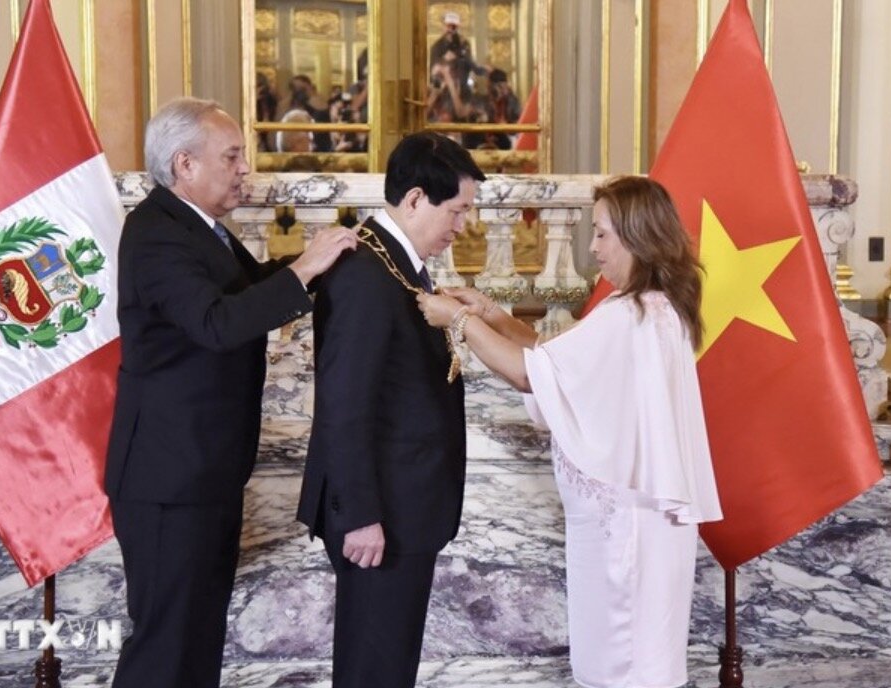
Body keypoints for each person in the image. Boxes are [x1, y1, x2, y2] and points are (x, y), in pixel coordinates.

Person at [417, 176, 723, 688]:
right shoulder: (654, 306)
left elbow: (528, 371)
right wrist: (491, 313)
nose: (593, 247)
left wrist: (457, 321)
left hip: (625, 534)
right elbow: (559, 360)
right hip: (641, 527)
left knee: (621, 665)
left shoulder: (630, 314)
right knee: (644, 658)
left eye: (603, 234)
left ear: (637, 236)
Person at [104, 97, 356, 688]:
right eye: (233, 156)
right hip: (168, 481)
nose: (246, 168)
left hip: (203, 473)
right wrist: (304, 272)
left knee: (197, 640)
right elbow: (217, 323)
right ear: (185, 164)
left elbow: (249, 291)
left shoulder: (201, 229)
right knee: (166, 646)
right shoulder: (157, 234)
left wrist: (323, 264)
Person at [297, 131, 486, 688]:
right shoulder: (366, 275)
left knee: (389, 665)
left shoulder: (396, 263)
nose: (462, 226)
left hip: (405, 506)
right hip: (378, 514)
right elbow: (345, 402)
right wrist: (359, 514)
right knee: (373, 669)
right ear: (414, 200)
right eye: (457, 210)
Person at [428, 11, 488, 94]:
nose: (450, 30)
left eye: (453, 27)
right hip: (444, 90)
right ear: (443, 27)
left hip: (463, 88)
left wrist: (482, 70)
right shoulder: (437, 47)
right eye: (448, 26)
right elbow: (433, 72)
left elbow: (470, 63)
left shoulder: (464, 44)